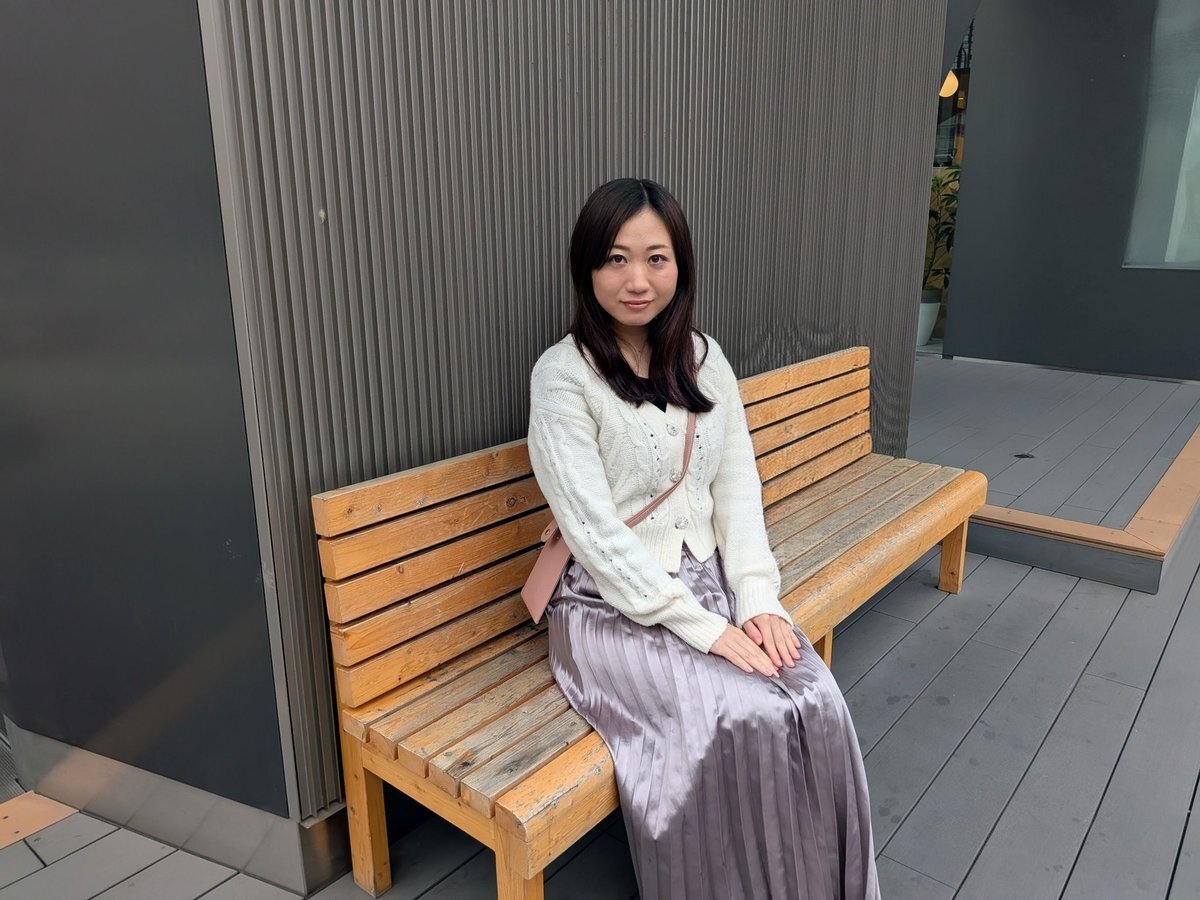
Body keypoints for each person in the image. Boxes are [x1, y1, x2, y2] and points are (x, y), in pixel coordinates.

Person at [526, 177, 880, 900]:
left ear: (680, 265)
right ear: (586, 268)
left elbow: (737, 490)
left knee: (815, 699)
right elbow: (594, 534)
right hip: (609, 604)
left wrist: (757, 599)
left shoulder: (706, 359)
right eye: (615, 259)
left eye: (655, 258)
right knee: (735, 711)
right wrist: (707, 631)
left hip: (711, 582)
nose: (636, 280)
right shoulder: (562, 377)